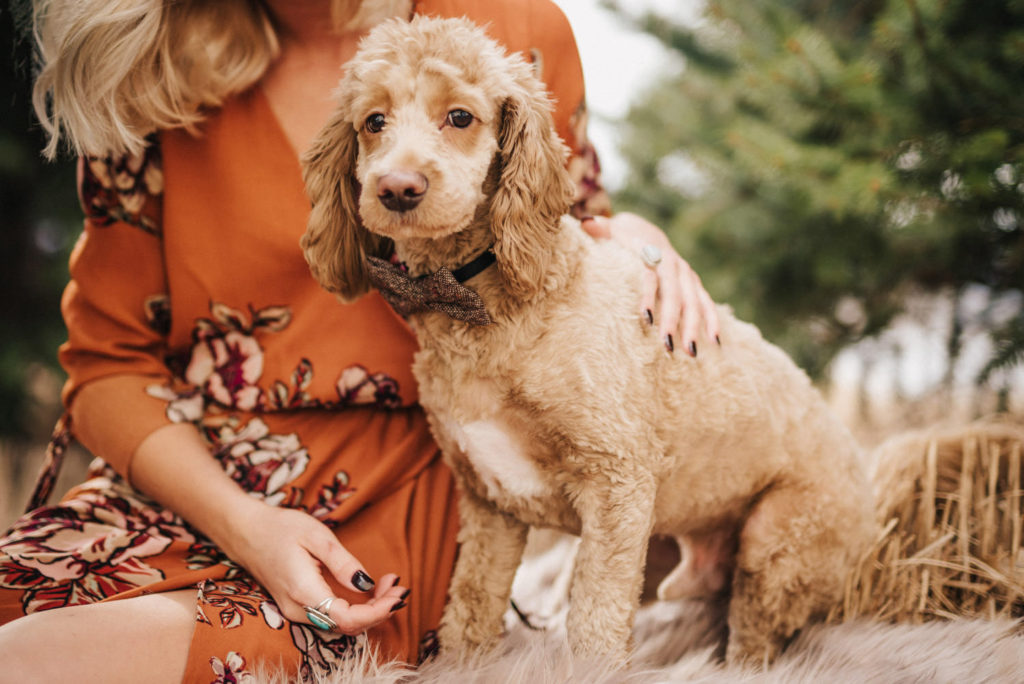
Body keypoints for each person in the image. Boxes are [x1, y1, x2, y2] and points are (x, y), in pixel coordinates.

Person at [0, 0, 720, 681]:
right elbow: (106, 368)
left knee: (34, 659)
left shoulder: (512, 26)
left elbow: (561, 229)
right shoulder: (147, 76)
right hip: (182, 484)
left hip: (393, 498)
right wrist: (245, 524)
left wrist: (637, 236)